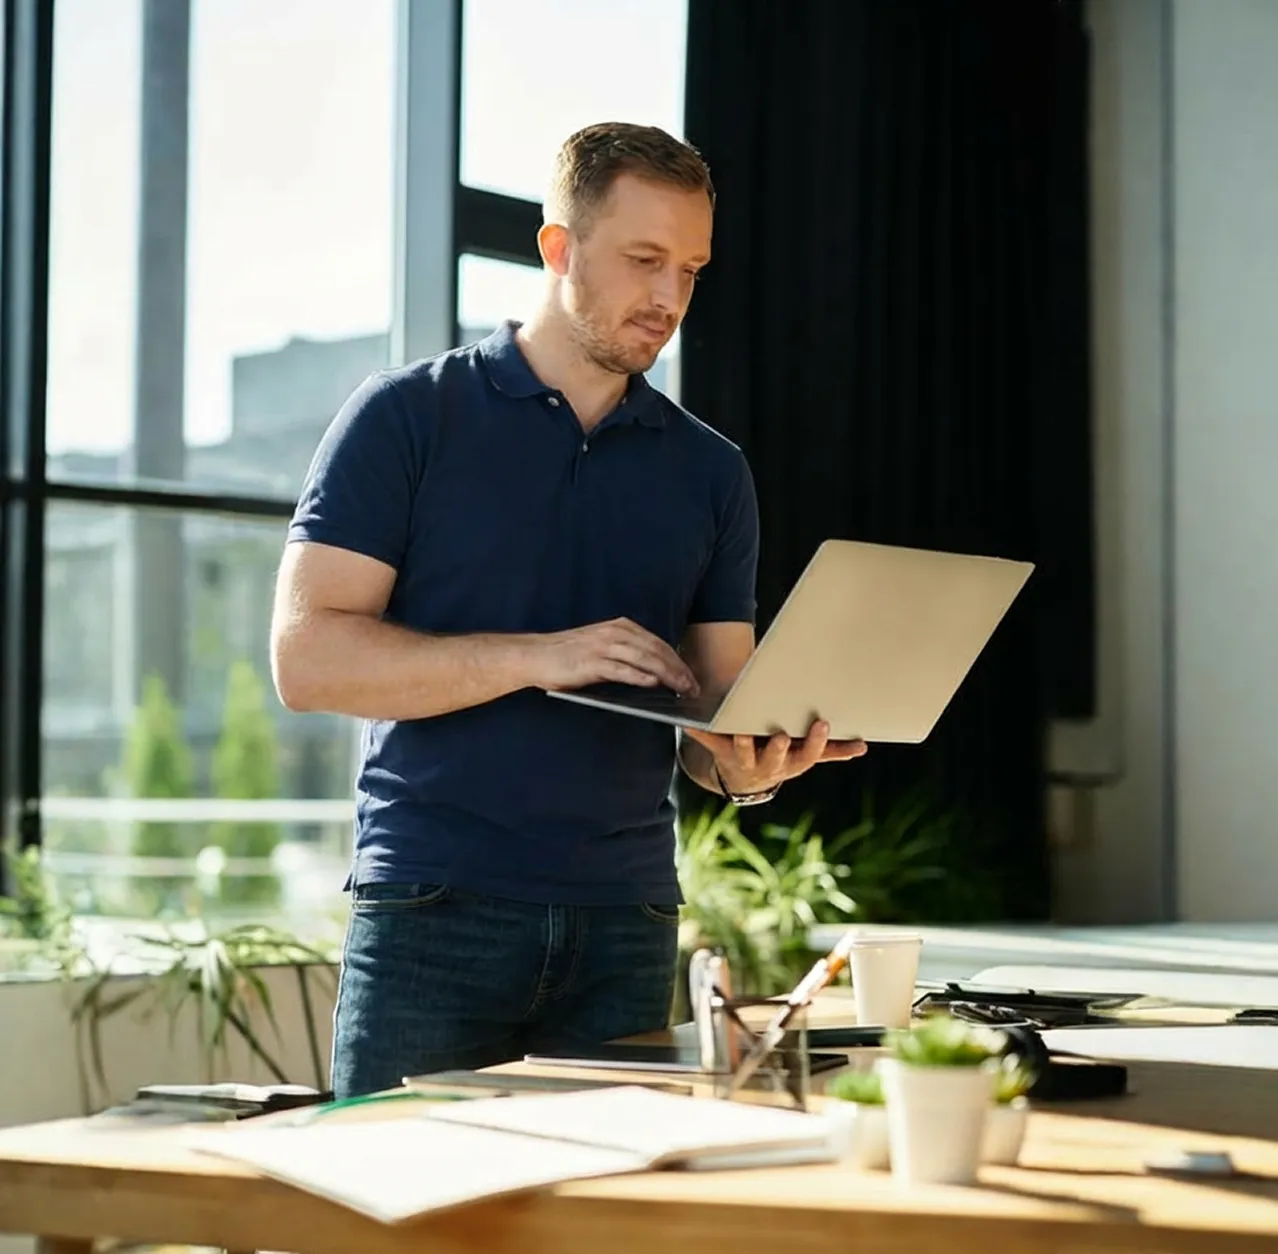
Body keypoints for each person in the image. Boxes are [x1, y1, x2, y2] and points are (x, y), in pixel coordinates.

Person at [270, 121, 866, 1099]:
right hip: (433, 908)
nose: (670, 296)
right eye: (643, 259)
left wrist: (751, 764)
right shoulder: (406, 419)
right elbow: (309, 661)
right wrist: (537, 656)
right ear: (558, 248)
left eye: (691, 267)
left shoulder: (711, 473)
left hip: (624, 922)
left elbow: (712, 717)